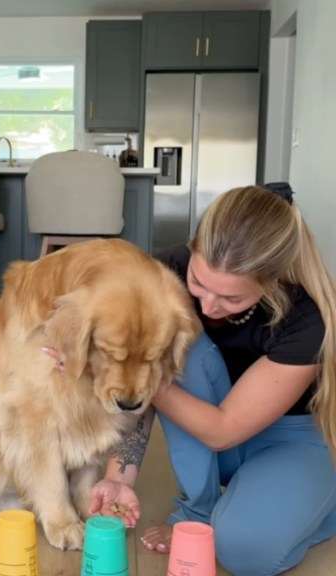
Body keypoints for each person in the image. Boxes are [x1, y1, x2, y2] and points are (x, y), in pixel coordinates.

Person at [84, 184, 336, 575]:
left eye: (233, 299)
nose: (209, 306)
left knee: (244, 552)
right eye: (199, 283)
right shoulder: (163, 273)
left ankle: (319, 500)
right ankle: (200, 510)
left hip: (288, 440)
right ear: (192, 249)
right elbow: (137, 395)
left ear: (273, 281)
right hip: (207, 441)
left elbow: (221, 430)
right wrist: (120, 479)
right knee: (184, 338)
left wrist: (145, 368)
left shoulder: (306, 317)